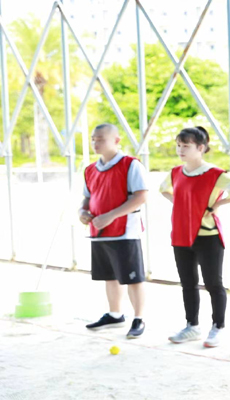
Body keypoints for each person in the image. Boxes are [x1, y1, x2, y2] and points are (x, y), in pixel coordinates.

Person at [160, 126, 230, 348]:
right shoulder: (175, 172)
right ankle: (192, 326)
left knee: (213, 284)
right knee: (188, 284)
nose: (180, 150)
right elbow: (163, 189)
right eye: (178, 145)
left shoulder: (214, 174)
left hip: (208, 237)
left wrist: (219, 203)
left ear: (201, 148)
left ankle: (218, 327)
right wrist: (179, 202)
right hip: (181, 235)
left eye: (186, 146)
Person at [80, 123, 148, 339]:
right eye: (93, 139)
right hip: (99, 231)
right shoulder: (90, 169)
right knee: (109, 275)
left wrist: (111, 215)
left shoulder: (130, 165)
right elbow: (87, 197)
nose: (95, 143)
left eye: (100, 139)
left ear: (116, 140)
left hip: (125, 231)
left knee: (132, 277)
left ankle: (139, 318)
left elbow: (141, 196)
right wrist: (82, 211)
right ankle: (115, 314)